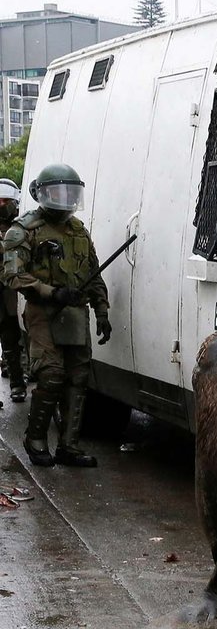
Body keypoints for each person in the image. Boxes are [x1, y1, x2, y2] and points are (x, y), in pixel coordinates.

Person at [1, 163, 112, 468]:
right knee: (50, 375)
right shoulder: (24, 230)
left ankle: (69, 446)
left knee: (78, 378)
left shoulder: (78, 230)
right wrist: (51, 292)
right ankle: (35, 438)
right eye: (57, 192)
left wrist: (102, 311)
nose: (65, 199)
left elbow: (94, 272)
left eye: (71, 192)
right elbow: (11, 276)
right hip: (42, 313)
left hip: (76, 313)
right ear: (42, 194)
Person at [0, 179, 26, 403]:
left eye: (4, 202)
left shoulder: (21, 228)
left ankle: (17, 382)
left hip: (12, 291)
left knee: (11, 338)